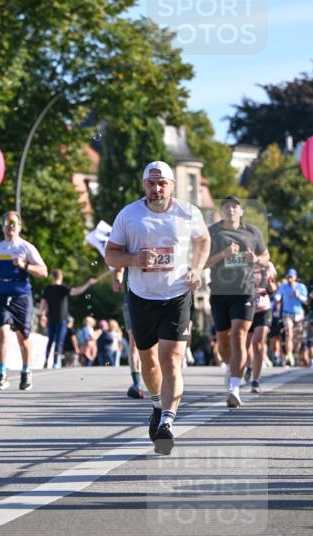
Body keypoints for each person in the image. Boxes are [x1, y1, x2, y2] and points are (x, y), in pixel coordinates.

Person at [105, 160, 210, 455]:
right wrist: (133, 260)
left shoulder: (188, 213)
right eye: (151, 184)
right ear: (144, 185)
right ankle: (156, 404)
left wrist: (197, 269)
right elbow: (111, 255)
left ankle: (167, 422)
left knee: (171, 358)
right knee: (149, 362)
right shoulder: (129, 215)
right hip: (142, 296)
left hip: (177, 294)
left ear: (172, 185)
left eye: (162, 183)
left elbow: (203, 239)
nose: (156, 189)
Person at [206, 196, 268, 408]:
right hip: (219, 292)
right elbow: (202, 262)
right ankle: (231, 366)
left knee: (239, 336)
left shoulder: (252, 232)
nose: (230, 210)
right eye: (226, 207)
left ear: (241, 211)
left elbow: (266, 257)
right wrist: (223, 254)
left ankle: (235, 387)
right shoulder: (212, 232)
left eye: (234, 207)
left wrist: (256, 259)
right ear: (221, 211)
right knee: (223, 340)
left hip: (244, 291)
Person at [0, 210, 47, 390]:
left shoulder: (26, 247)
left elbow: (44, 271)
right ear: (2, 227)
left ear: (20, 227)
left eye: (14, 224)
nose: (10, 227)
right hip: (2, 295)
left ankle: (26, 371)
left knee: (22, 337)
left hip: (21, 296)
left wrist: (25, 265)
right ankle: (2, 374)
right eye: (7, 223)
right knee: (2, 333)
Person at [41, 268, 96, 369]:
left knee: (50, 340)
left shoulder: (47, 289)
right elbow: (76, 291)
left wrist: (43, 315)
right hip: (62, 319)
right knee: (59, 341)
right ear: (61, 277)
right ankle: (55, 362)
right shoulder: (63, 288)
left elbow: (43, 303)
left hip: (51, 319)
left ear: (52, 277)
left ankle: (47, 358)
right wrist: (88, 283)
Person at [113, 267, 147, 398]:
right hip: (131, 300)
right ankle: (137, 383)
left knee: (153, 344)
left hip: (154, 299)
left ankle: (157, 380)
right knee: (134, 343)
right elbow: (119, 267)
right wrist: (117, 279)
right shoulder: (128, 252)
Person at [246, 257, 277, 393]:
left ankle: (255, 380)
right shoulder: (242, 263)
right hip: (246, 309)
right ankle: (249, 365)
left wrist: (269, 282)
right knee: (245, 345)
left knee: (257, 344)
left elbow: (273, 287)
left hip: (263, 309)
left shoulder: (267, 265)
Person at [277, 269, 308, 367]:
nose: (289, 278)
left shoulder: (301, 287)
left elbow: (306, 301)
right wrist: (277, 297)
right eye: (288, 276)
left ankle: (296, 354)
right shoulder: (283, 287)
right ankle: (289, 355)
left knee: (297, 337)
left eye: (291, 276)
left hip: (298, 314)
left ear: (295, 277)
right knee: (288, 334)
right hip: (287, 313)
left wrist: (298, 296)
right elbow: (277, 296)